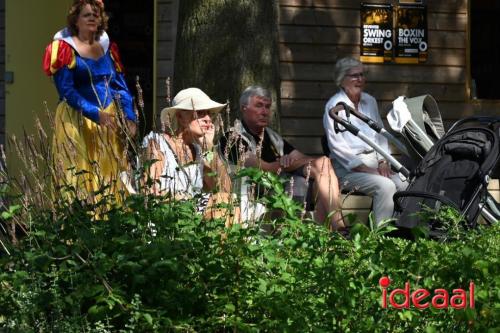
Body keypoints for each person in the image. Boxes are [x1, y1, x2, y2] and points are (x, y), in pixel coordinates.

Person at [42, 0, 137, 201]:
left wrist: (129, 117)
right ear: (76, 20)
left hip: (108, 122)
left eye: (96, 14)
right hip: (76, 118)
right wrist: (94, 113)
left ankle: (111, 227)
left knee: (110, 178)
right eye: (87, 14)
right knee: (78, 179)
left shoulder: (109, 49)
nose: (92, 17)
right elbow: (66, 90)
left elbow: (120, 87)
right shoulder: (64, 48)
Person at [219, 85, 345, 231]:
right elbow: (263, 168)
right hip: (251, 192)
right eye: (259, 106)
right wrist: (286, 164)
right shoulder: (231, 137)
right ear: (244, 108)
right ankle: (336, 230)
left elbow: (303, 158)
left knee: (323, 165)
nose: (264, 112)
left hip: (281, 187)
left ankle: (332, 232)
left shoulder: (271, 136)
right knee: (304, 181)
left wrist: (291, 161)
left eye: (267, 107)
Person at [323, 57, 408, 225]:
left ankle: (400, 231)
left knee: (405, 182)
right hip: (349, 170)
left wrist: (384, 161)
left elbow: (380, 135)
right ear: (341, 80)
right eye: (354, 76)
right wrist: (371, 171)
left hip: (376, 163)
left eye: (362, 75)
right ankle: (380, 238)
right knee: (386, 186)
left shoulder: (370, 101)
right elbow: (339, 149)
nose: (360, 79)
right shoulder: (333, 107)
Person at [143, 88, 239, 226]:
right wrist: (186, 202)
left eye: (208, 114)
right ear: (180, 117)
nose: (207, 119)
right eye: (200, 113)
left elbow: (225, 190)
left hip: (194, 216)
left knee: (226, 203)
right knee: (223, 205)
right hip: (166, 215)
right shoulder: (157, 143)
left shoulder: (201, 151)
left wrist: (209, 148)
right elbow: (150, 189)